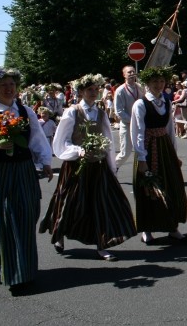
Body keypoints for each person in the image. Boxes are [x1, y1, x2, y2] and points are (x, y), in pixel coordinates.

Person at [39, 74, 136, 261]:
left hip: (98, 166)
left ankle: (102, 244)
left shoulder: (100, 113)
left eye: (95, 89)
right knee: (70, 202)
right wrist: (78, 150)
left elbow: (108, 142)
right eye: (89, 90)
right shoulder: (72, 112)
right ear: (81, 91)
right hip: (77, 165)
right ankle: (59, 234)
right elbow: (62, 140)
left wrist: (111, 166)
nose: (93, 92)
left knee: (102, 204)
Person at [0, 68, 53, 291]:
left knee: (28, 215)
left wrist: (46, 162)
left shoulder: (24, 110)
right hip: (0, 173)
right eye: (3, 85)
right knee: (6, 220)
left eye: (11, 84)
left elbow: (37, 138)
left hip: (24, 170)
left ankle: (25, 269)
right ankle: (14, 273)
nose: (9, 89)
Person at [131, 67, 187, 245]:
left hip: (165, 148)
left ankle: (172, 227)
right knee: (149, 190)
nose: (159, 85)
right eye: (155, 81)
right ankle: (147, 229)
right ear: (147, 84)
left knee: (172, 186)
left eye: (161, 81)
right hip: (148, 149)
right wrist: (141, 158)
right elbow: (137, 132)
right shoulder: (140, 104)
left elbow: (170, 129)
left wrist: (174, 153)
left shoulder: (166, 101)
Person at [114, 65, 144, 171]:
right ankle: (112, 168)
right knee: (125, 153)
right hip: (127, 125)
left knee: (143, 150)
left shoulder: (140, 87)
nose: (132, 74)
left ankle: (145, 173)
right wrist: (133, 120)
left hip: (141, 125)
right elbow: (119, 111)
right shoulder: (120, 90)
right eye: (129, 72)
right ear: (124, 75)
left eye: (133, 72)